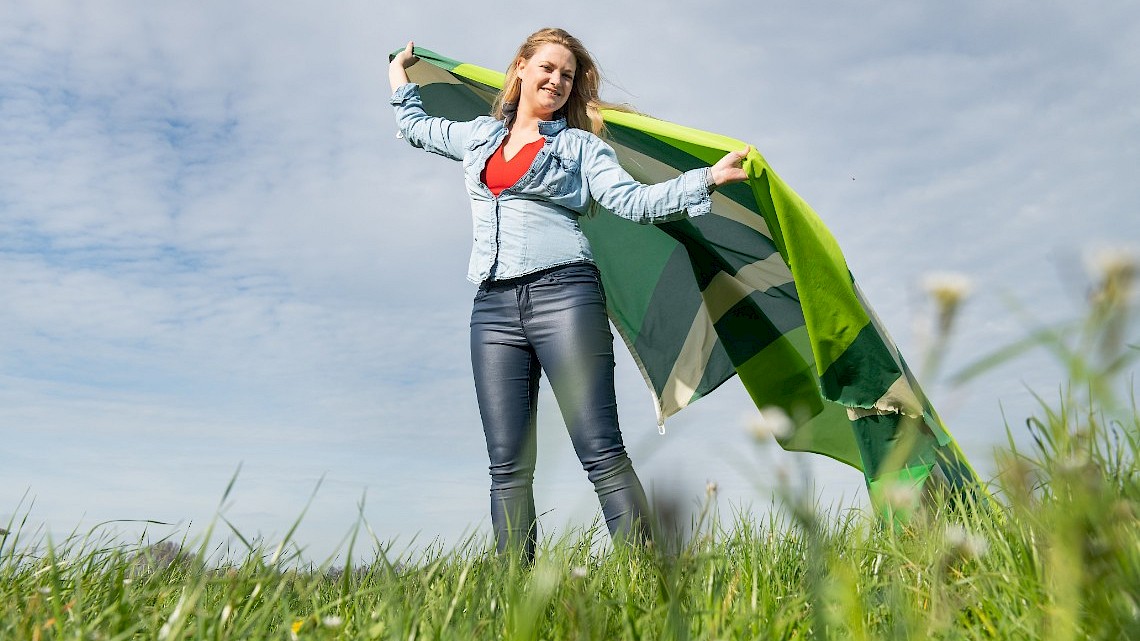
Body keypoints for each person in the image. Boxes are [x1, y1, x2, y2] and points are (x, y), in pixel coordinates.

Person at [388, 28, 749, 562]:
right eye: (548, 68)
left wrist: (705, 181)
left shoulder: (579, 146)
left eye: (567, 75)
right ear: (520, 70)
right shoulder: (481, 138)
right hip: (491, 311)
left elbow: (635, 202)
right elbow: (417, 127)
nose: (557, 80)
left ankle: (648, 579)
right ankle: (516, 597)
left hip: (566, 299)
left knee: (600, 449)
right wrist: (398, 74)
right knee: (507, 464)